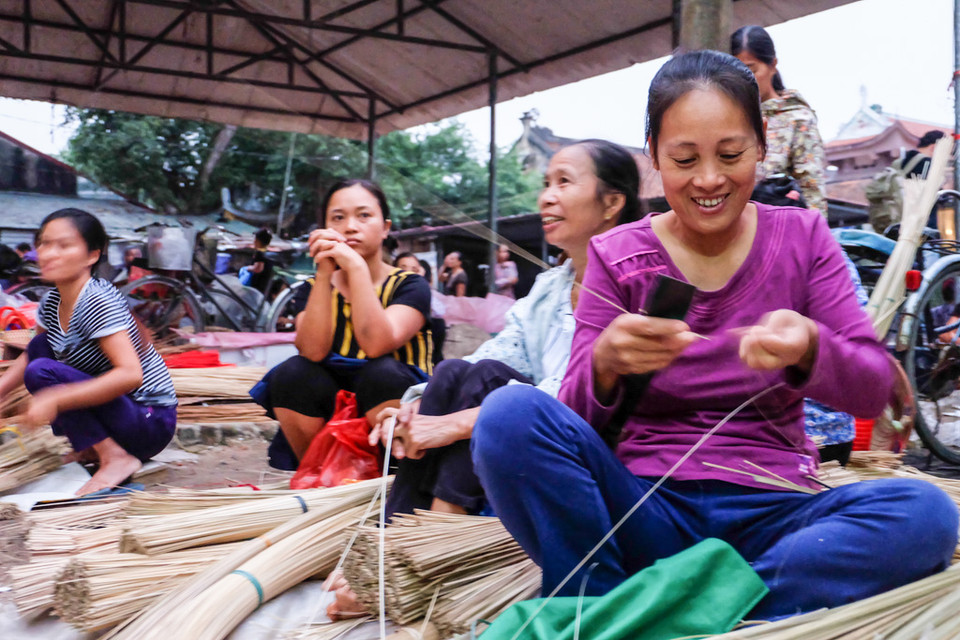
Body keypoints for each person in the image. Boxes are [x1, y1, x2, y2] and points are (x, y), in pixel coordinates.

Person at [470, 51, 958, 620]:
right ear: (653, 155)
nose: (708, 179)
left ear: (761, 144)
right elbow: (575, 423)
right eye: (683, 158)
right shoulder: (618, 255)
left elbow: (874, 388)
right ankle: (614, 602)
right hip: (642, 513)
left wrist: (809, 347)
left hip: (771, 517)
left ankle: (642, 617)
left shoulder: (803, 239)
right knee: (507, 415)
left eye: (731, 154)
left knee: (923, 512)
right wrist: (604, 362)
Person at [324, 139, 644, 621]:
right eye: (545, 183)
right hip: (526, 429)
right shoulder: (551, 286)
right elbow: (496, 353)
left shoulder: (631, 282)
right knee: (458, 370)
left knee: (490, 381)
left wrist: (451, 425)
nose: (546, 197)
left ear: (612, 202)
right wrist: (417, 403)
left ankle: (425, 555)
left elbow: (572, 390)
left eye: (563, 182)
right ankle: (398, 539)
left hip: (597, 446)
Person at [256, 180, 433, 471]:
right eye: (338, 218)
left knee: (382, 373)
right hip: (329, 412)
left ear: (385, 227)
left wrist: (356, 269)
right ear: (324, 228)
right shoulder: (312, 288)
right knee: (292, 373)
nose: (350, 227)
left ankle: (394, 473)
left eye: (364, 216)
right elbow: (311, 351)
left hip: (394, 405)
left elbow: (377, 344)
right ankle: (317, 471)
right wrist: (325, 275)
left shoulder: (410, 285)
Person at [0, 209, 177, 496]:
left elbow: (131, 375)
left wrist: (57, 397)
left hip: (150, 422)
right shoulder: (51, 301)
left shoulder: (96, 300)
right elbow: (34, 352)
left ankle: (115, 457)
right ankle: (92, 450)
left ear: (92, 256)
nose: (48, 253)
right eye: (44, 243)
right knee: (39, 348)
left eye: (64, 245)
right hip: (121, 416)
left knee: (43, 372)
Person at [732, 25, 828, 216]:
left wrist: (816, 239)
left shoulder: (797, 119)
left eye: (751, 70)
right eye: (738, 72)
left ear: (773, 65)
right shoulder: (728, 116)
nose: (745, 80)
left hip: (781, 228)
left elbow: (812, 190)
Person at [247, 228, 274, 296]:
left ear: (258, 241)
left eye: (255, 239)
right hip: (265, 284)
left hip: (258, 285)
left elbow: (258, 269)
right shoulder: (268, 252)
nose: (254, 241)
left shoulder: (259, 253)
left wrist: (248, 268)